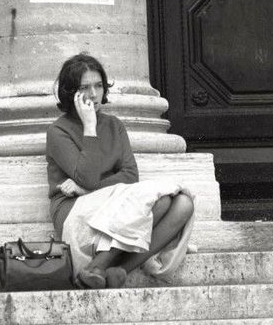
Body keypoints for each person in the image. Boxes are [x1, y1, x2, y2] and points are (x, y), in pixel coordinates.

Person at [46, 53, 195, 289]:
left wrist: (86, 189)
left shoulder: (114, 125)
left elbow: (130, 175)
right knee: (161, 202)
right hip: (74, 210)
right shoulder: (58, 132)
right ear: (70, 92)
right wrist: (90, 127)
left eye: (98, 86)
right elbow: (88, 176)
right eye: (85, 87)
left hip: (106, 200)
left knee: (184, 203)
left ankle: (118, 269)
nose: (94, 94)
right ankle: (95, 267)